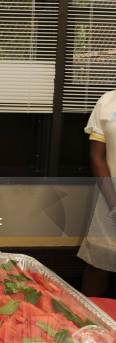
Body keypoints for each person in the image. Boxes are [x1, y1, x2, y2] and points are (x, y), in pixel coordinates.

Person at [79, 90, 116, 297]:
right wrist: (114, 204)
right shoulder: (108, 101)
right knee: (98, 264)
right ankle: (89, 323)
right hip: (110, 197)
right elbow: (97, 157)